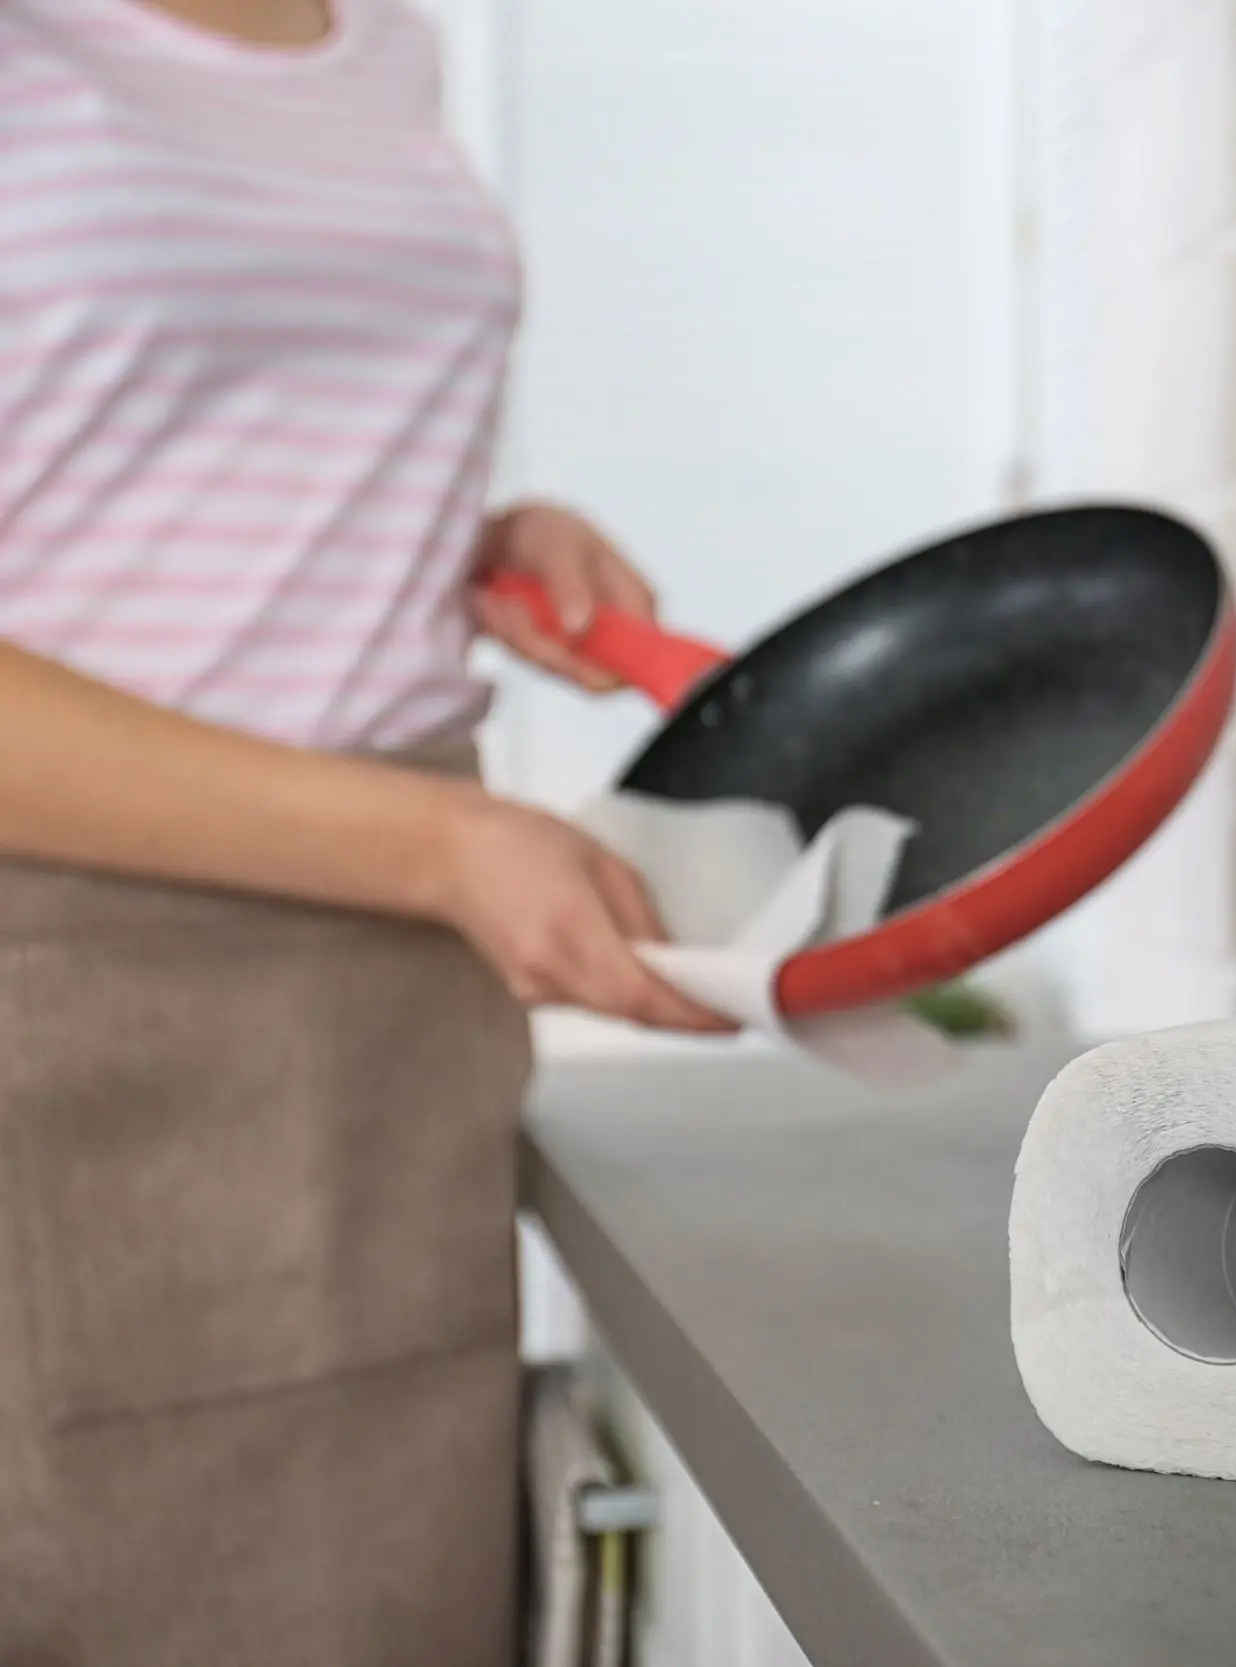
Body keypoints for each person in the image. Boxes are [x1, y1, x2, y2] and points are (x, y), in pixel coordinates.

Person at [0, 0, 732, 1659]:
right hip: (65, 1026)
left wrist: (452, 535)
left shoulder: (377, 40)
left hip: (392, 1030)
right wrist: (438, 846)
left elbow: (121, 447)